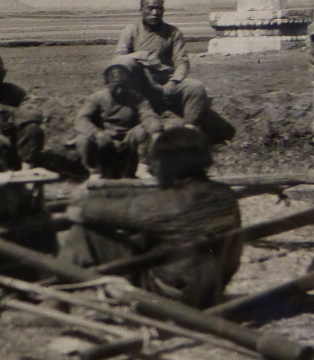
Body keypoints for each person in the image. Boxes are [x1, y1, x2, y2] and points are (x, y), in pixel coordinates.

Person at [62, 127, 242, 309]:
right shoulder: (223, 194)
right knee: (144, 237)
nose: (152, 169)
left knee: (85, 231)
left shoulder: (168, 203)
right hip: (209, 290)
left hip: (169, 295)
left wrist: (85, 199)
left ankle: (54, 298)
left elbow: (82, 211)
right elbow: (147, 201)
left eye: (154, 161)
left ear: (168, 164)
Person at [114, 0, 231, 139]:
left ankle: (189, 130)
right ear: (141, 10)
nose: (155, 13)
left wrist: (174, 81)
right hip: (140, 82)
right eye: (150, 8)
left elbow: (182, 61)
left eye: (159, 9)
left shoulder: (173, 32)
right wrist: (144, 56)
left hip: (165, 81)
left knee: (196, 87)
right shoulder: (131, 30)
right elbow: (119, 58)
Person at [74, 61, 169, 179]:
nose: (119, 90)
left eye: (123, 85)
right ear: (107, 83)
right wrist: (97, 133)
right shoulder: (97, 98)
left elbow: (148, 115)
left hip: (128, 137)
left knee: (145, 131)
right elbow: (82, 119)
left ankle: (143, 167)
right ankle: (95, 171)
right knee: (83, 139)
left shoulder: (136, 98)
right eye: (115, 86)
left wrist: (155, 129)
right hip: (105, 137)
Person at [0, 54, 47, 166]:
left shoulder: (14, 92)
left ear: (4, 75)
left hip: (13, 143)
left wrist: (10, 110)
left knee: (33, 129)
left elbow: (37, 115)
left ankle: (26, 169)